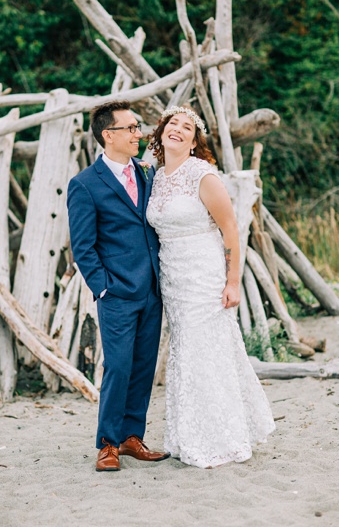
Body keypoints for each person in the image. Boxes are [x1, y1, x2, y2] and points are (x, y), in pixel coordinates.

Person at [145, 106, 275, 468]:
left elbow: (230, 228)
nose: (178, 129)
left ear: (193, 141)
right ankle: (191, 434)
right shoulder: (155, 178)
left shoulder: (203, 175)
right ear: (161, 133)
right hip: (173, 277)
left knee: (208, 350)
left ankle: (223, 437)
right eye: (173, 123)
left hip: (204, 273)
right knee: (187, 351)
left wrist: (233, 281)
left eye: (187, 128)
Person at [67, 100, 170, 472]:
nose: (138, 134)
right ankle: (108, 443)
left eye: (137, 127)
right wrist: (104, 288)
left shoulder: (147, 173)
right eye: (130, 128)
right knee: (119, 366)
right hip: (117, 294)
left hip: (152, 291)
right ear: (108, 135)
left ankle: (131, 438)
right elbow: (83, 247)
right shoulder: (84, 185)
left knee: (143, 367)